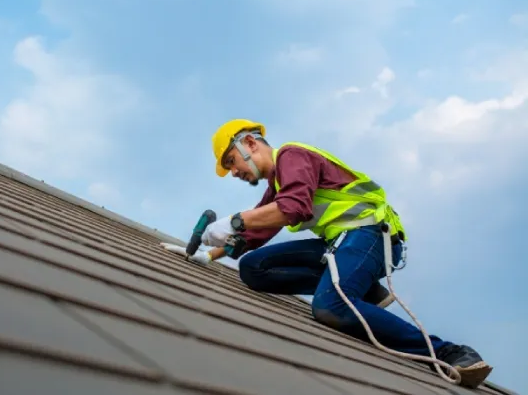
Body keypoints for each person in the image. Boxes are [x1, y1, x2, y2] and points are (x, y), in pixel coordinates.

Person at [190, 118, 493, 389]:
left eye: (231, 161)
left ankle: (449, 352)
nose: (233, 173)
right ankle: (363, 290)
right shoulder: (277, 183)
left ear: (250, 144)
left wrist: (233, 221)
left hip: (370, 235)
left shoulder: (292, 156)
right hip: (341, 244)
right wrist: (207, 255)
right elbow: (254, 231)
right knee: (252, 267)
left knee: (330, 307)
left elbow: (292, 208)